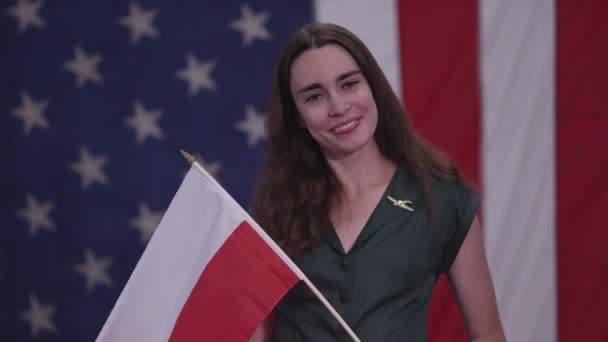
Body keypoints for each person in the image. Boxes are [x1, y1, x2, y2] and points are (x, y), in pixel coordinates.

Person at [249, 23, 505, 342]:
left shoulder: (443, 197)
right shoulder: (274, 212)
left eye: (349, 84)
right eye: (314, 96)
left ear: (372, 86)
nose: (339, 107)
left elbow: (488, 334)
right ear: (298, 115)